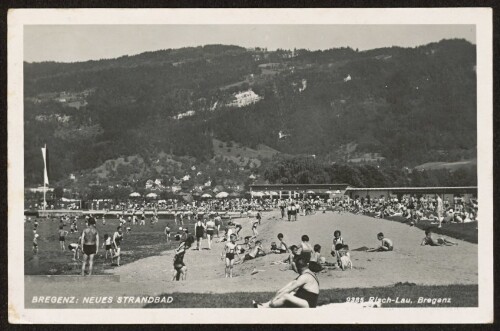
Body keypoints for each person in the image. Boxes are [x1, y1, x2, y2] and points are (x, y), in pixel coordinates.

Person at [253, 256, 320, 308]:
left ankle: (266, 307)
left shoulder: (304, 277)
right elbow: (290, 285)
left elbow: (289, 290)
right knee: (290, 293)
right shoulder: (307, 273)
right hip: (307, 301)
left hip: (309, 304)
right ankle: (264, 305)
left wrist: (275, 299)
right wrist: (278, 292)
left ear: (297, 267)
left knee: (286, 296)